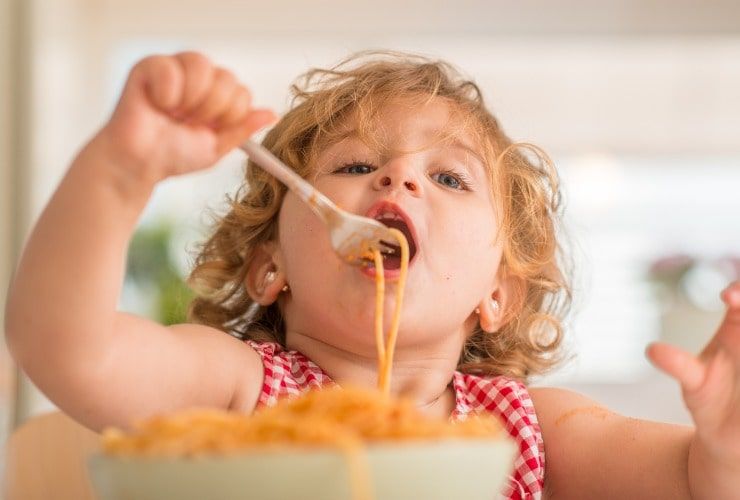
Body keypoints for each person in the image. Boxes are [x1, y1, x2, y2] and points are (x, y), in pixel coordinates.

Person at [5, 50, 740, 499]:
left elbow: (690, 485)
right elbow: (68, 348)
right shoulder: (238, 393)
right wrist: (120, 174)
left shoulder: (528, 431)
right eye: (355, 167)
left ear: (497, 295)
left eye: (449, 178)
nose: (398, 178)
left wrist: (723, 448)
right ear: (271, 267)